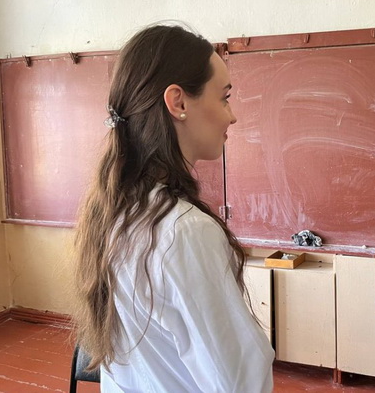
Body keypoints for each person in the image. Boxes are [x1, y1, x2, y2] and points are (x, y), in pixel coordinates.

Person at [73, 24, 274, 392]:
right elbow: (238, 381)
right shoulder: (184, 231)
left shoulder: (114, 211)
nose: (231, 116)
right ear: (178, 102)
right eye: (224, 97)